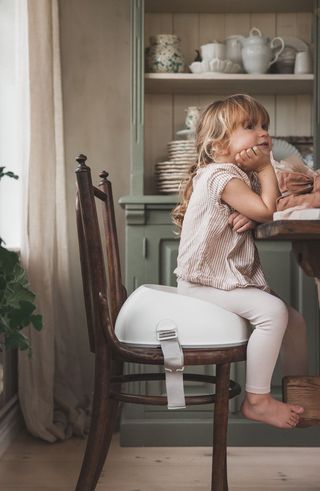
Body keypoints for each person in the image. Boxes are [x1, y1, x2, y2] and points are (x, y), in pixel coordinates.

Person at [172, 94, 308, 429]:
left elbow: (277, 200)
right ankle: (257, 400)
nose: (263, 133)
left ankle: (301, 392)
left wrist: (261, 206)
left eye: (265, 126)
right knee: (273, 312)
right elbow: (268, 208)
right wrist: (263, 179)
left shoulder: (238, 176)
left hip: (219, 282)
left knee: (294, 321)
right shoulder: (221, 175)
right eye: (250, 126)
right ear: (218, 146)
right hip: (202, 284)